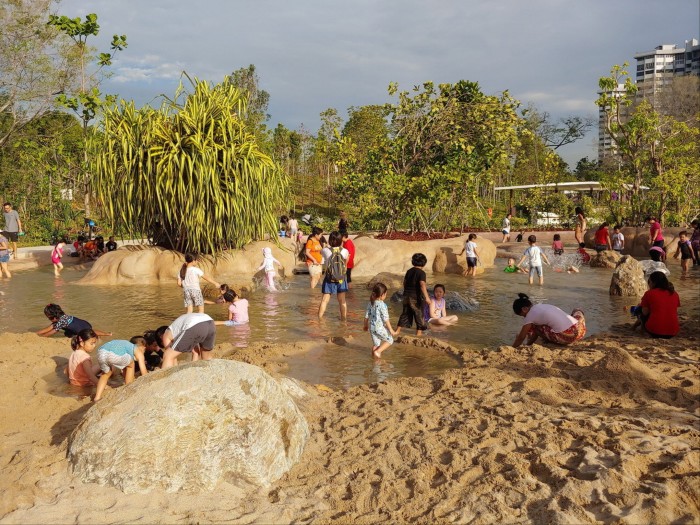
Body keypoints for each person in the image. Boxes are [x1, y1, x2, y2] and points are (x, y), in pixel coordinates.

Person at [511, 293, 586, 347]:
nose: (524, 317)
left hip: (569, 337)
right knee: (577, 310)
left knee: (535, 327)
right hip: (580, 330)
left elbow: (521, 337)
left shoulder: (530, 315)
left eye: (523, 315)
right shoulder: (540, 306)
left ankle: (548, 340)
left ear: (524, 309)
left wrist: (514, 347)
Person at [93, 336, 149, 401]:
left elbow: (124, 366)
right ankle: (129, 386)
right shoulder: (137, 350)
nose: (144, 352)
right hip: (113, 355)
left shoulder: (126, 346)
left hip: (101, 352)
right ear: (143, 347)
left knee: (105, 374)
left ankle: (97, 397)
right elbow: (144, 372)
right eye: (144, 350)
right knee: (131, 365)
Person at [396, 253, 432, 336]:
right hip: (415, 297)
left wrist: (406, 292)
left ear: (413, 262)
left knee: (405, 313)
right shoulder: (422, 273)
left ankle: (397, 331)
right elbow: (422, 285)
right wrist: (427, 297)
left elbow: (404, 283)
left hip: (406, 296)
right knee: (419, 314)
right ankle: (418, 333)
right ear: (424, 263)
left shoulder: (409, 271)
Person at [318, 231, 349, 320]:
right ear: (340, 240)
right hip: (341, 279)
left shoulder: (326, 251)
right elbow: (345, 263)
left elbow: (321, 252)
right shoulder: (345, 251)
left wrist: (327, 246)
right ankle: (344, 320)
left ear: (330, 240)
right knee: (342, 301)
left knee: (324, 300)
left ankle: (320, 319)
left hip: (329, 278)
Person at [640, 271, 680, 339]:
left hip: (655, 332)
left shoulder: (649, 293)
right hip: (673, 331)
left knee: (640, 311)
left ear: (653, 282)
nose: (648, 284)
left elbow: (645, 312)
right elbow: (673, 310)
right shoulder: (674, 294)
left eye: (649, 281)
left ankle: (642, 331)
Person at [363, 282, 397, 359]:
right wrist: (391, 330)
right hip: (379, 328)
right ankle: (377, 352)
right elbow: (386, 318)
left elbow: (366, 316)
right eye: (385, 294)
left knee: (376, 345)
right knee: (390, 340)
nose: (386, 296)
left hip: (372, 328)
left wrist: (365, 326)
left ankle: (375, 361)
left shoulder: (370, 303)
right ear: (382, 295)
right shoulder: (382, 305)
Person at [36, 303, 111, 338]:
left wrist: (41, 337)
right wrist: (37, 333)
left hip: (83, 329)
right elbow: (50, 327)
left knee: (90, 332)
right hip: (84, 323)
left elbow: (51, 332)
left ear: (55, 317)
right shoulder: (63, 317)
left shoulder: (61, 322)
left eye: (49, 318)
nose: (49, 320)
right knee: (59, 328)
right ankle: (107, 334)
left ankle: (106, 334)